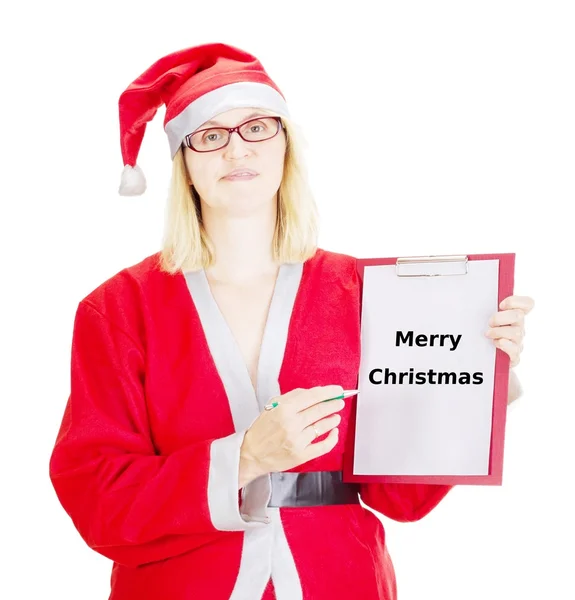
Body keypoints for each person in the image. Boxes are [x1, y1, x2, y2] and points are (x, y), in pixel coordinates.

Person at [48, 42, 535, 600]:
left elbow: (402, 495)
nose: (237, 151)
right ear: (185, 163)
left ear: (285, 147)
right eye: (210, 135)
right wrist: (247, 458)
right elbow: (98, 500)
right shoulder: (117, 309)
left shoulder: (363, 290)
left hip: (341, 580)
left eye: (257, 127)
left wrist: (481, 370)